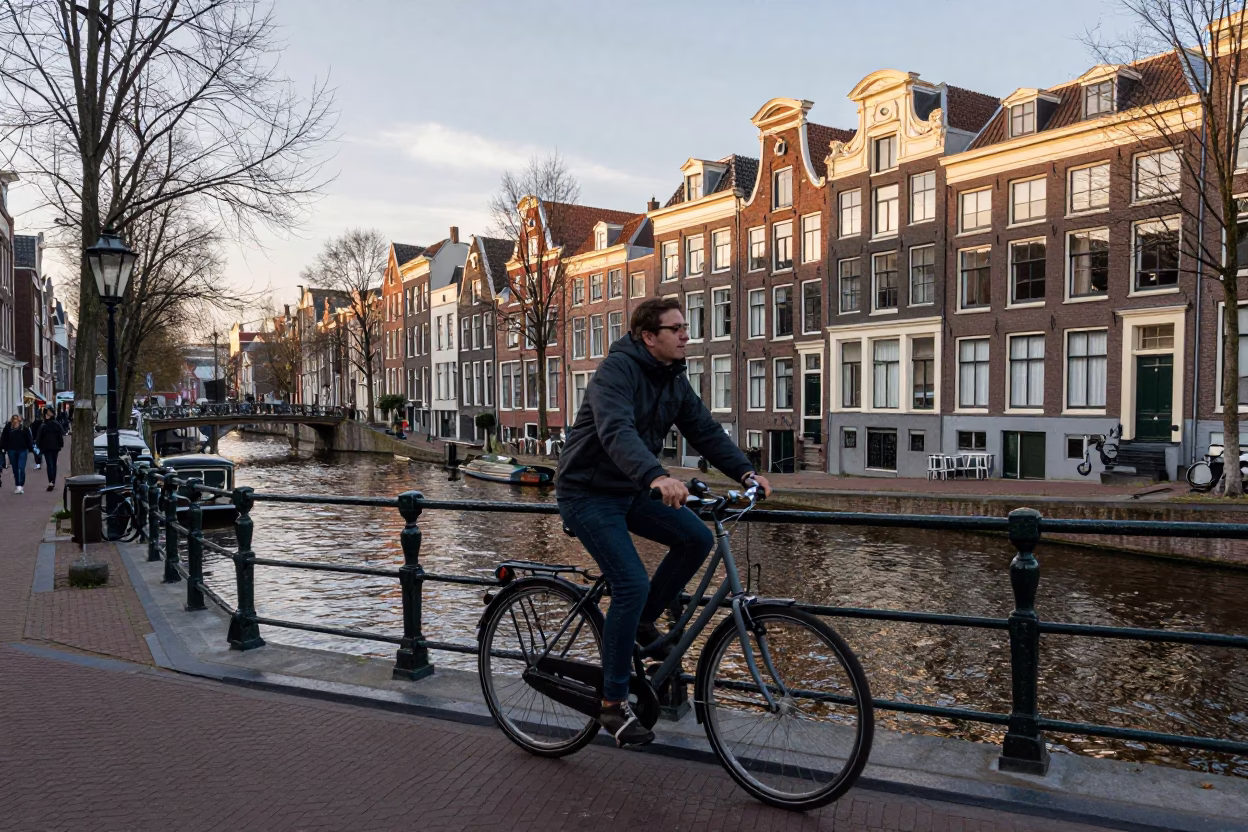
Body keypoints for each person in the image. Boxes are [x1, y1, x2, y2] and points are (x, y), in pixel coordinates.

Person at [556, 298, 772, 747]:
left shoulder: (673, 378)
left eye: (685, 328)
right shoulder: (614, 373)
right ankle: (613, 703)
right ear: (648, 336)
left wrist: (746, 471)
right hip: (588, 492)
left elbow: (705, 429)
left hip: (630, 490)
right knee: (631, 583)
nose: (685, 336)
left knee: (695, 537)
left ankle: (640, 623)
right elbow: (617, 430)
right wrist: (655, 474)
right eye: (676, 329)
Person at [1, 414, 35, 494]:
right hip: (11, 450)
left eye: (17, 419)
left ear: (19, 421)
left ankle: (21, 485)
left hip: (22, 450)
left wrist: (31, 448)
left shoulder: (24, 428)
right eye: (14, 419)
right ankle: (17, 485)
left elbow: (29, 438)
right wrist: (3, 449)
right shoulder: (8, 429)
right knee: (15, 469)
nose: (15, 421)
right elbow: (3, 439)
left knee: (21, 468)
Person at [35, 407, 65, 491]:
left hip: (52, 447)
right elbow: (39, 436)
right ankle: (52, 481)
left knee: (51, 464)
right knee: (51, 464)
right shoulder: (45, 424)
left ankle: (52, 481)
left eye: (49, 412)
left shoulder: (52, 424)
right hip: (48, 447)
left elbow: (60, 433)